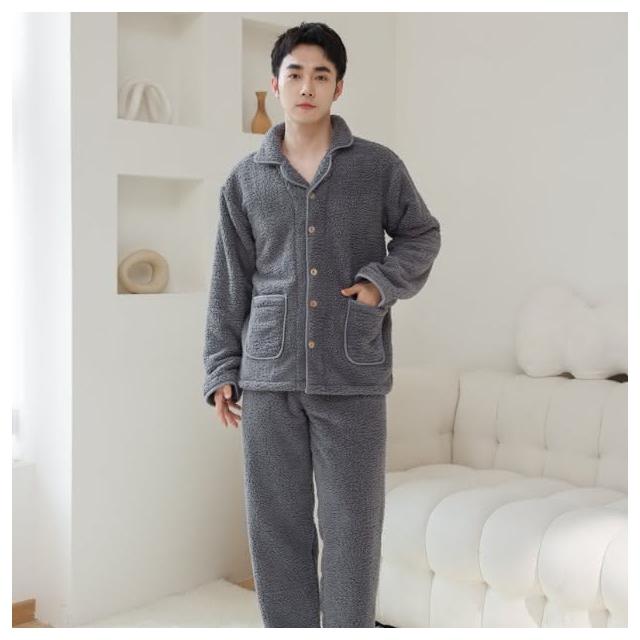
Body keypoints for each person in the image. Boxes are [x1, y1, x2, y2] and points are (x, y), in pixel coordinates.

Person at [202, 21, 442, 627]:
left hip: (351, 374)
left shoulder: (377, 167)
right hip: (268, 378)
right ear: (275, 84)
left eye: (321, 75)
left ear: (339, 87)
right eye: (295, 74)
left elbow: (421, 234)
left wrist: (379, 284)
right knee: (276, 529)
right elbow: (230, 280)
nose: (306, 86)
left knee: (353, 529)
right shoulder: (245, 180)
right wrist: (222, 367)